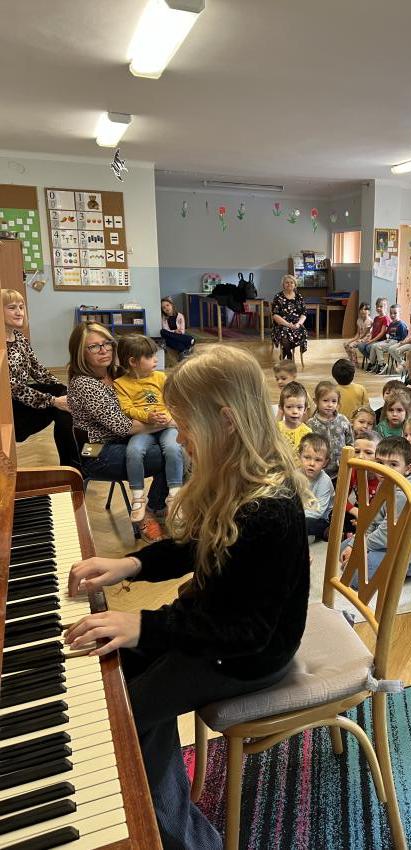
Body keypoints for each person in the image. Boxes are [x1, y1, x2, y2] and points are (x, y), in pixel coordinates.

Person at [65, 345, 310, 850]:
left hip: (247, 657)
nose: (179, 439)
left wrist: (143, 626)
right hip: (211, 630)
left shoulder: (269, 508)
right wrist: (132, 564)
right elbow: (195, 546)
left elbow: (246, 632)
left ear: (225, 420)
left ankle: (188, 841)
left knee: (121, 717)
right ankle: (162, 797)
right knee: (116, 676)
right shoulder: (233, 474)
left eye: (185, 426)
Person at [67, 322, 170, 542]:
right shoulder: (84, 384)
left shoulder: (116, 373)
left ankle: (159, 506)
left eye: (107, 343)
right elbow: (125, 427)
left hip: (126, 441)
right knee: (178, 452)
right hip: (97, 452)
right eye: (94, 347)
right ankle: (149, 511)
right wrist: (171, 421)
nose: (103, 350)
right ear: (80, 353)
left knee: (179, 447)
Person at [3, 288, 80, 470]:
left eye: (21, 307)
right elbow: (12, 387)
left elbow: (39, 371)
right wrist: (53, 400)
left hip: (22, 401)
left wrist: (65, 391)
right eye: (12, 307)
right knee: (61, 404)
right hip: (8, 409)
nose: (19, 312)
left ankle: (70, 468)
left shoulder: (20, 338)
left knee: (65, 400)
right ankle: (73, 467)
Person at [114, 335, 185, 523]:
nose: (156, 360)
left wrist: (168, 415)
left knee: (174, 448)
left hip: (165, 425)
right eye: (150, 356)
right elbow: (127, 409)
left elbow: (172, 399)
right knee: (134, 451)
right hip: (144, 428)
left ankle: (175, 496)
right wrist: (148, 417)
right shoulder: (120, 384)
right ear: (133, 362)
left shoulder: (161, 377)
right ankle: (138, 498)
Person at [340, 436, 411, 584]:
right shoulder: (385, 483)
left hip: (403, 551)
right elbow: (372, 520)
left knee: (354, 579)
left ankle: (405, 569)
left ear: (408, 468)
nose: (384, 470)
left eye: (393, 464)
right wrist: (354, 545)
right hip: (386, 542)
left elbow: (386, 535)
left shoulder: (402, 494)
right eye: (380, 463)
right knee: (344, 548)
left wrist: (359, 547)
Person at [307, 381, 354, 479]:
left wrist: (348, 459)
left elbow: (350, 442)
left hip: (341, 471)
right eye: (325, 400)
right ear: (316, 401)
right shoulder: (311, 424)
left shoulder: (343, 420)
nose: (330, 405)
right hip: (319, 472)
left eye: (334, 401)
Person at [299, 432, 334, 539]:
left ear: (325, 463)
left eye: (318, 460)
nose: (312, 463)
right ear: (299, 457)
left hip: (320, 518)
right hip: (299, 513)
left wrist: (295, 517)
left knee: (305, 524)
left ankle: (326, 531)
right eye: (307, 457)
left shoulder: (325, 481)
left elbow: (318, 511)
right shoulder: (295, 475)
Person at [271, 274, 308, 360]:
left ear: (295, 285)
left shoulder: (299, 297)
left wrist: (298, 324)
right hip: (282, 324)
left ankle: (284, 353)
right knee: (284, 332)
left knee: (302, 332)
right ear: (283, 284)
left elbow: (304, 313)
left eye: (292, 282)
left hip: (296, 324)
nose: (289, 284)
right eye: (287, 282)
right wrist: (288, 324)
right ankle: (289, 355)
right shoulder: (278, 296)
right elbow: (275, 315)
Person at [385, 299, 411, 371]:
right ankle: (403, 364)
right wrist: (403, 341)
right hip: (407, 341)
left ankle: (405, 366)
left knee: (397, 350)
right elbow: (409, 334)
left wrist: (404, 343)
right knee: (391, 349)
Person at [368, 304, 408, 373]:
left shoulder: (401, 324)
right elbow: (388, 333)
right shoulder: (391, 324)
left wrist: (392, 339)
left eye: (395, 313)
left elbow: (403, 338)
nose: (392, 315)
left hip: (396, 341)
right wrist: (388, 338)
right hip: (389, 340)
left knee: (378, 346)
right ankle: (372, 363)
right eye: (391, 313)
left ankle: (381, 364)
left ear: (400, 313)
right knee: (373, 345)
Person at [277, 381, 312, 448]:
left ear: (305, 409)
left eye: (299, 407)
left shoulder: (307, 432)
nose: (295, 411)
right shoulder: (277, 429)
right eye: (289, 407)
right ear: (282, 408)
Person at [360, 298, 391, 368]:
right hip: (373, 340)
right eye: (377, 306)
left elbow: (382, 333)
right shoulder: (376, 318)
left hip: (380, 341)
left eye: (381, 306)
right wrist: (369, 339)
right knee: (360, 346)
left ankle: (373, 362)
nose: (378, 308)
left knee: (368, 347)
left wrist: (371, 341)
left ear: (385, 307)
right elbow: (373, 331)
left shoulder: (386, 319)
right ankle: (373, 360)